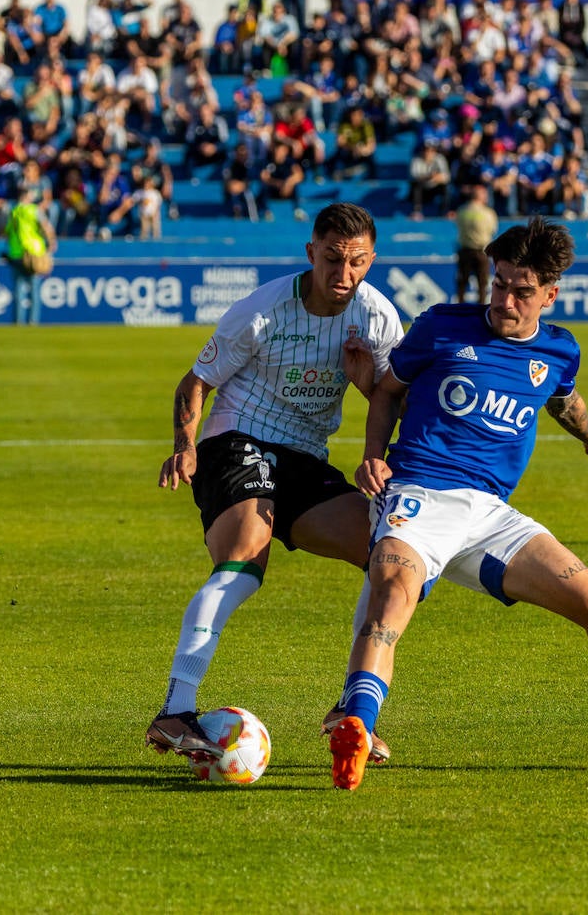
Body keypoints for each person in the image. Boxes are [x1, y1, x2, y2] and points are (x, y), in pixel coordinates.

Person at [326, 217, 588, 791]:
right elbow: (387, 392)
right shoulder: (441, 326)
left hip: (490, 515)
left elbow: (563, 399)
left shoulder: (559, 348)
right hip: (419, 492)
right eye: (498, 284)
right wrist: (373, 455)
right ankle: (355, 727)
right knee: (392, 594)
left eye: (521, 291)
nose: (504, 300)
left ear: (550, 295)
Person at [146, 203, 405, 764]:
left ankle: (352, 710)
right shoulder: (261, 310)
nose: (343, 273)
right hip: (236, 439)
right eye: (332, 258)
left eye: (357, 261)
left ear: (372, 260)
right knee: (246, 553)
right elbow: (195, 382)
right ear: (311, 252)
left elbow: (390, 396)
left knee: (389, 555)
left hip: (305, 457)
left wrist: (371, 436)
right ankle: (176, 710)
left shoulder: (379, 317)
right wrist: (185, 448)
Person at [4, 187, 56, 325]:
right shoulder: (34, 210)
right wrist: (51, 243)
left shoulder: (13, 211)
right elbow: (46, 227)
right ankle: (33, 321)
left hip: (16, 253)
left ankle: (18, 322)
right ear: (26, 196)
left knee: (18, 289)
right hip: (34, 252)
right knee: (34, 289)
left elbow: (7, 232)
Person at [453, 183, 497, 305]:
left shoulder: (461, 211)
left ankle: (459, 309)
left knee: (462, 284)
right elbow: (492, 230)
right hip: (481, 252)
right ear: (481, 196)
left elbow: (458, 226)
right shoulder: (488, 213)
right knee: (482, 285)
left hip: (465, 251)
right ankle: (481, 309)